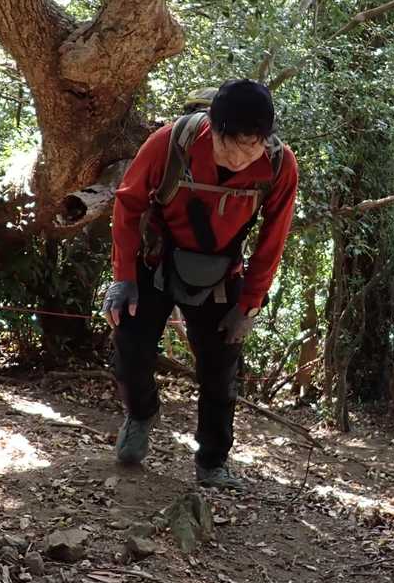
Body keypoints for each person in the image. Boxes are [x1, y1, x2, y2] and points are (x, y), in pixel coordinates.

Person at [102, 80, 298, 490]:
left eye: (252, 147)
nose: (241, 158)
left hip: (222, 274)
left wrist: (249, 304)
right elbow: (128, 203)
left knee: (220, 369)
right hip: (155, 259)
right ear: (213, 127)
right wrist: (124, 277)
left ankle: (212, 461)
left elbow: (273, 238)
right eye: (231, 147)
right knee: (131, 345)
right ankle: (141, 414)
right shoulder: (170, 144)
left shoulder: (280, 165)